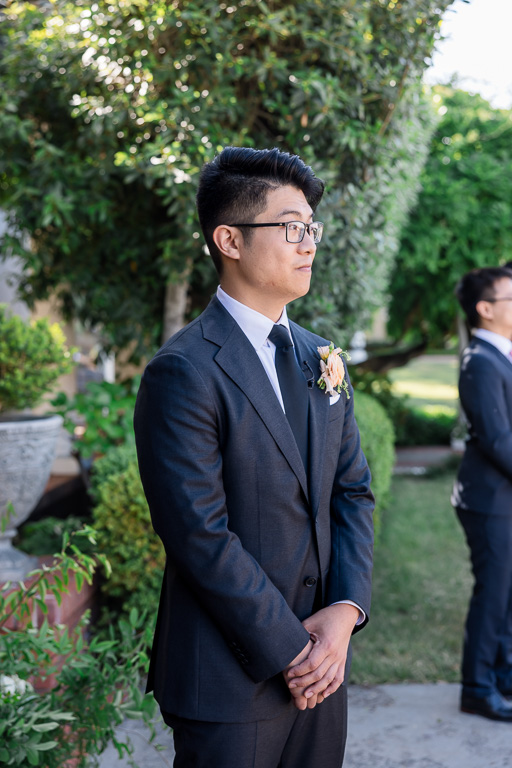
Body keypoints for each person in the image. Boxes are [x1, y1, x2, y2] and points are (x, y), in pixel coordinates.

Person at [134, 146, 374, 767]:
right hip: (227, 677)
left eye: (311, 229)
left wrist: (344, 616)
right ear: (230, 240)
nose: (308, 243)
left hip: (325, 668)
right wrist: (295, 650)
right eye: (291, 227)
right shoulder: (183, 371)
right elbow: (198, 534)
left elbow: (350, 493)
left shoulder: (322, 358)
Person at [452, 265, 512, 722]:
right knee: (493, 594)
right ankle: (476, 687)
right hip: (490, 502)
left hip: (503, 498)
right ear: (485, 309)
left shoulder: (502, 355)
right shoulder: (480, 361)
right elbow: (497, 441)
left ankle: (504, 674)